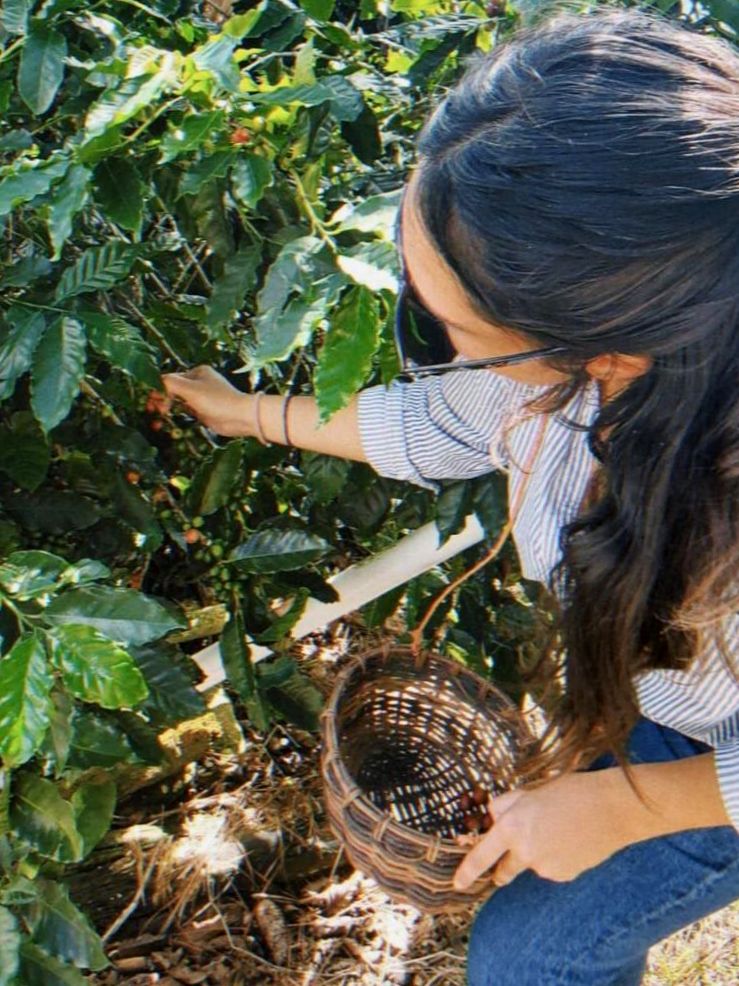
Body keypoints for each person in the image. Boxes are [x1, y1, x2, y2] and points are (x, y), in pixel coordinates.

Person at [163, 7, 739, 983]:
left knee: (530, 957)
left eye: (444, 331)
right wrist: (246, 413)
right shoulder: (584, 379)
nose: (427, 347)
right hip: (678, 703)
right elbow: (426, 423)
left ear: (600, 341)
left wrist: (624, 808)